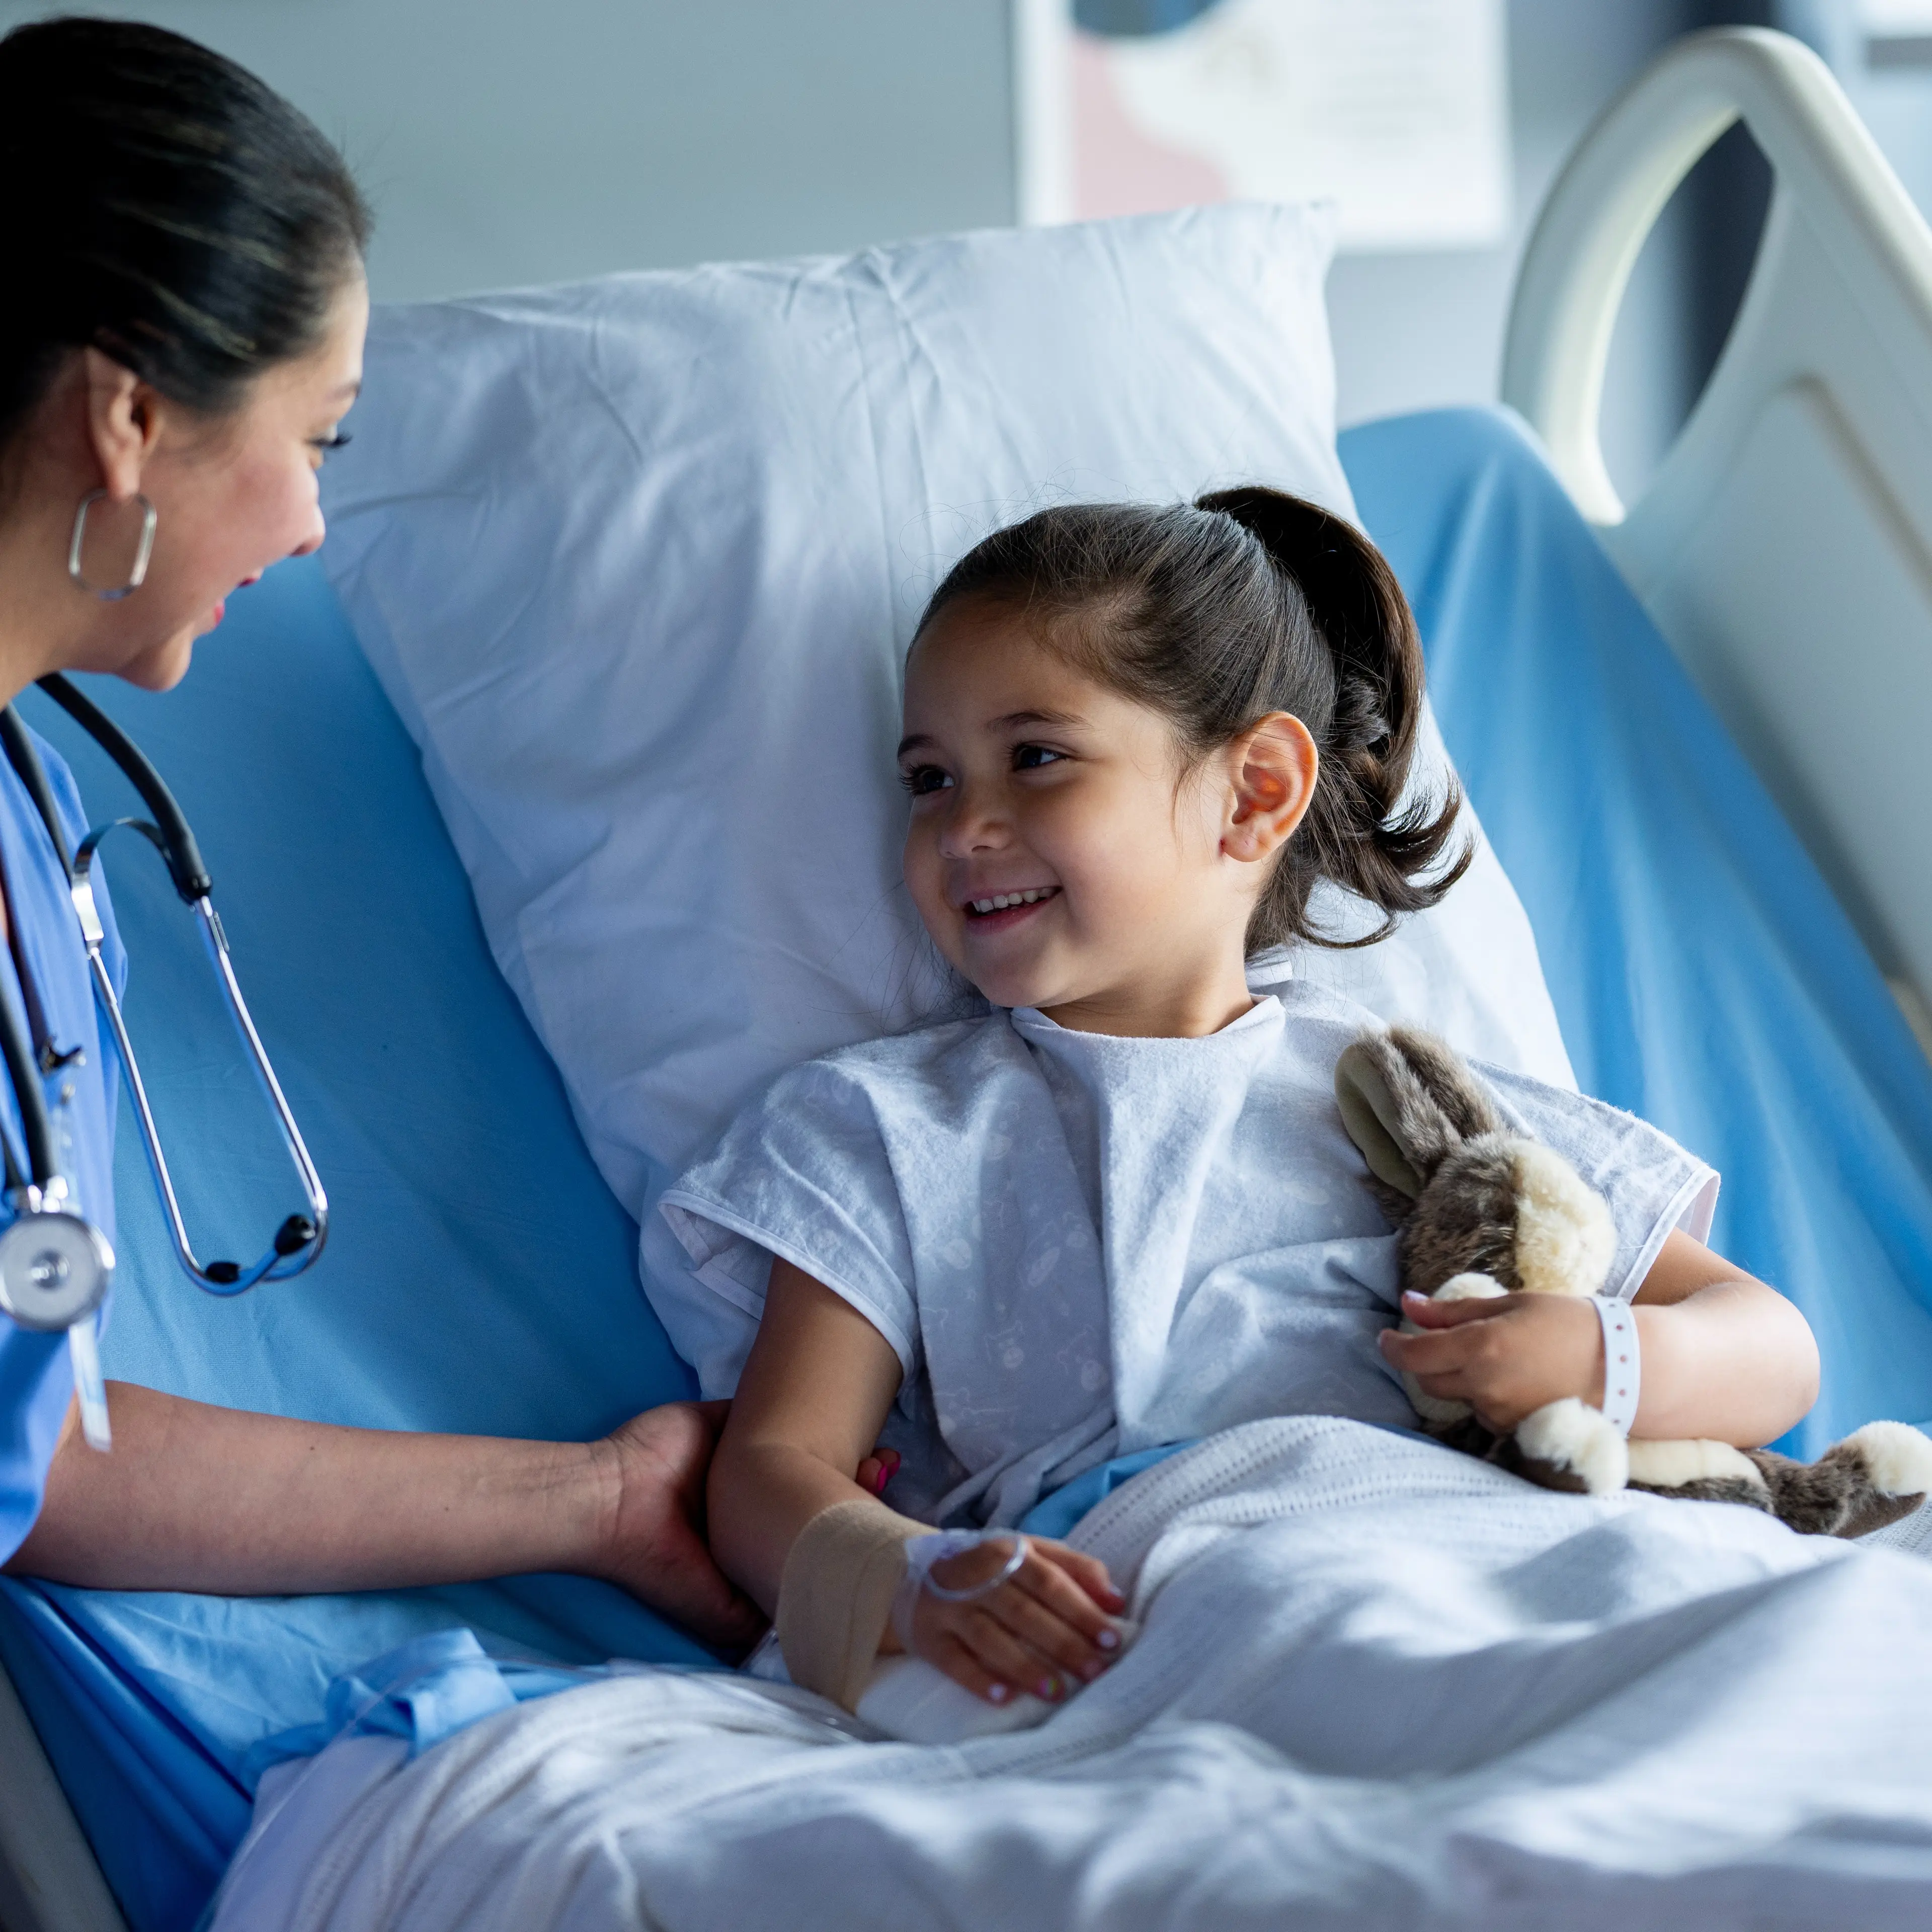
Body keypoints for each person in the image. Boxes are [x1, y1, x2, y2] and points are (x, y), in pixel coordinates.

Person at [680, 486, 1823, 1709]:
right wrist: (914, 1576)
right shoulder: (885, 1130)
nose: (966, 826)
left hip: (1479, 1541)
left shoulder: (1403, 1099)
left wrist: (1601, 1355)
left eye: (1037, 757)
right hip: (1157, 1588)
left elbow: (1773, 1351)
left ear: (1256, 792)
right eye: (928, 778)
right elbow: (770, 1465)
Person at [0, 17, 758, 1650]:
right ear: (131, 418)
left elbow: (39, 1444)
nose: (313, 522)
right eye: (317, 438)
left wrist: (604, 1502)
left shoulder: (39, 809)